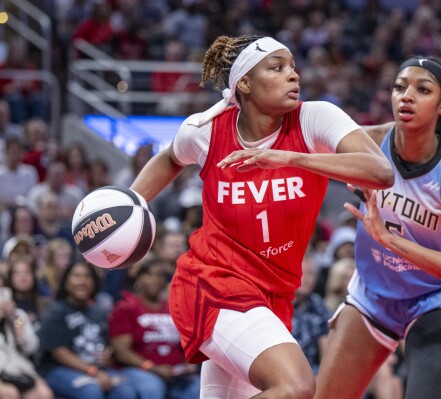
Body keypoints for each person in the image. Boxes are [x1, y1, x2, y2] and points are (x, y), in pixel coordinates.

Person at [129, 35, 393, 399]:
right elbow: (171, 158)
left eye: (293, 67)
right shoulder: (207, 130)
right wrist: (130, 204)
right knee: (296, 386)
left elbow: (381, 172)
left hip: (274, 295)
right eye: (278, 67)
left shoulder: (314, 117)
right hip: (215, 286)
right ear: (245, 84)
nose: (294, 76)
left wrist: (294, 158)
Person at [314, 55, 441, 399]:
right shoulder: (368, 142)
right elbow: (304, 142)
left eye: (422, 90)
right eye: (399, 87)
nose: (406, 96)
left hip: (436, 299)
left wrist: (391, 241)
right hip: (373, 295)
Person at [38, 262, 136, 399]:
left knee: (125, 390)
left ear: (94, 283)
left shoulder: (100, 312)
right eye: (76, 276)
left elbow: (107, 344)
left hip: (97, 367)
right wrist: (93, 372)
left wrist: (109, 354)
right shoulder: (56, 312)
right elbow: (59, 353)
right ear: (66, 282)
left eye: (87, 277)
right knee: (91, 390)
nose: (82, 281)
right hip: (59, 369)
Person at [109, 259, 201, 399]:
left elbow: (187, 342)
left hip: (175, 372)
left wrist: (187, 364)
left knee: (198, 387)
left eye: (159, 276)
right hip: (138, 370)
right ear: (138, 279)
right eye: (149, 274)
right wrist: (152, 368)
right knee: (152, 387)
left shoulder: (173, 307)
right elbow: (121, 352)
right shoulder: (126, 308)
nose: (154, 280)